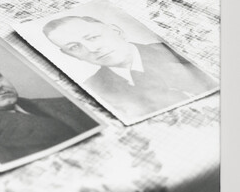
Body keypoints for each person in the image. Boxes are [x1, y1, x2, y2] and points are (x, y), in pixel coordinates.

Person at [42, 15, 217, 120]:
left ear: (117, 31)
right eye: (74, 47)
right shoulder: (93, 89)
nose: (92, 49)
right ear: (70, 55)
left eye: (93, 37)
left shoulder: (179, 51)